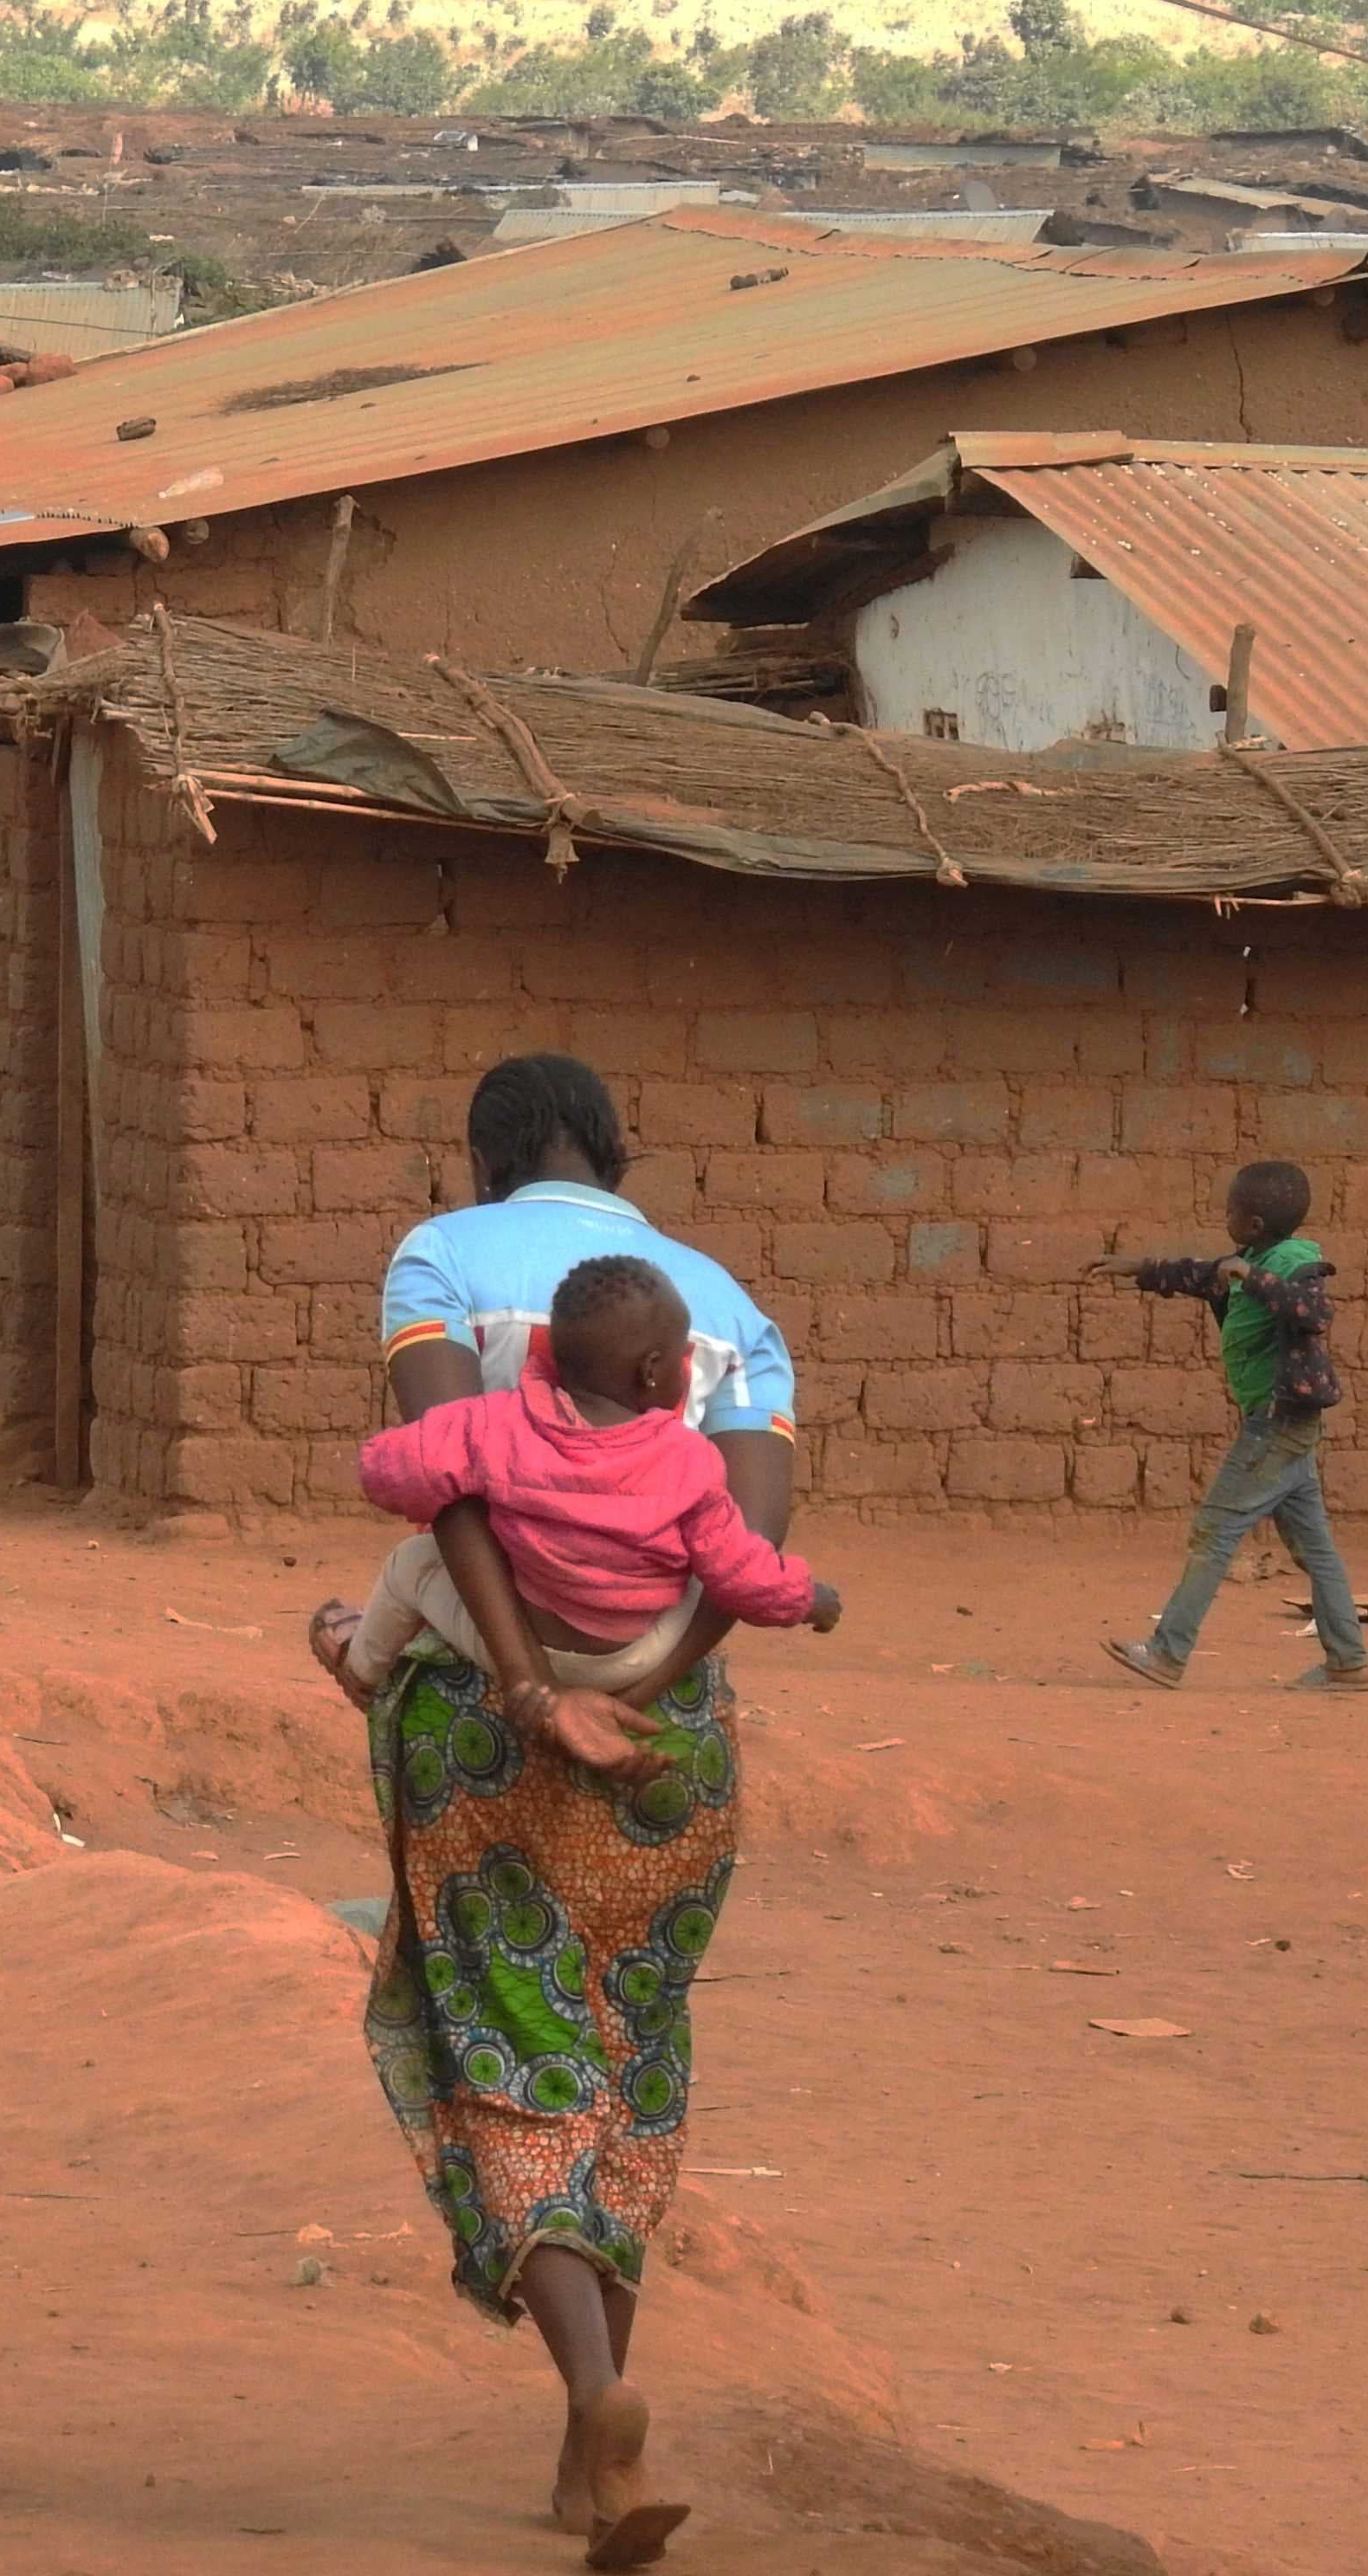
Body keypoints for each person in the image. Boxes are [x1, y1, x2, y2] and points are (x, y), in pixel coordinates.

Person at [348, 1052, 799, 2573]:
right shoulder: (719, 1305)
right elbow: (742, 1539)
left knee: (501, 2041)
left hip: (485, 1721)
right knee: (626, 2047)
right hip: (671, 1740)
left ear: (482, 1157)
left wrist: (536, 1689)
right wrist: (648, 1680)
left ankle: (597, 2395)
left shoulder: (440, 1259)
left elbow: (445, 1491)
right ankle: (585, 2465)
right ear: (614, 1146)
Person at [326, 1255, 840, 1701]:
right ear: (652, 1371)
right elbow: (743, 1577)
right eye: (683, 1356)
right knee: (716, 1561)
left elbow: (384, 1470)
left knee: (411, 1563)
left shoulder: (493, 1423)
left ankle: (363, 1672)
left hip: (516, 1638)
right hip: (633, 1657)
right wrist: (806, 1599)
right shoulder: (690, 1461)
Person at [1098, 1160, 1368, 1694]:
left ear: (1255, 1223)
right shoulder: (1247, 1261)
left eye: (1232, 1211)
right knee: (1315, 1550)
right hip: (1287, 1426)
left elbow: (1312, 1314)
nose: (1225, 1216)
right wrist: (1136, 1268)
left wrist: (1257, 1278)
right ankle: (1347, 1663)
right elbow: (1196, 1274)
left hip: (1278, 1422)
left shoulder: (1294, 1268)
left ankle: (1166, 1653)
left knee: (1214, 1532)